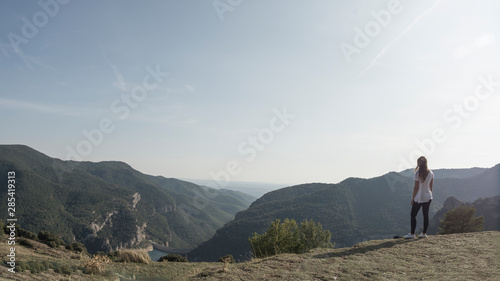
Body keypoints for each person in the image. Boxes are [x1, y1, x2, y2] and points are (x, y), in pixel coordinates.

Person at [405, 156, 434, 239]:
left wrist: (413, 198)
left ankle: (412, 233)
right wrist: (429, 194)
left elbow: (416, 187)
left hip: (419, 197)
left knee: (413, 215)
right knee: (425, 215)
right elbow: (431, 186)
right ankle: (424, 233)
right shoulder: (431, 173)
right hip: (428, 196)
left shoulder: (417, 173)